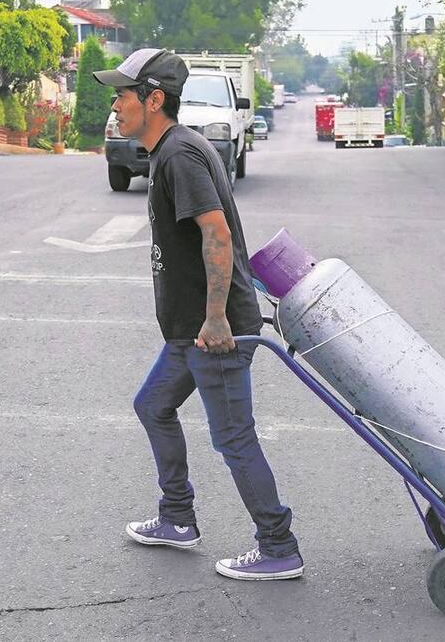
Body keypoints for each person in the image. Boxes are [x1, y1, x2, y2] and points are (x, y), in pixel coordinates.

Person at [93, 49, 303, 581]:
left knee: (234, 438)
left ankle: (279, 546)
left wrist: (216, 320)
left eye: (122, 95)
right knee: (153, 405)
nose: (115, 106)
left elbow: (216, 232)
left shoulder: (181, 156)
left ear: (153, 99)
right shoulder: (171, 151)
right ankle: (178, 516)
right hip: (191, 330)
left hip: (215, 331)